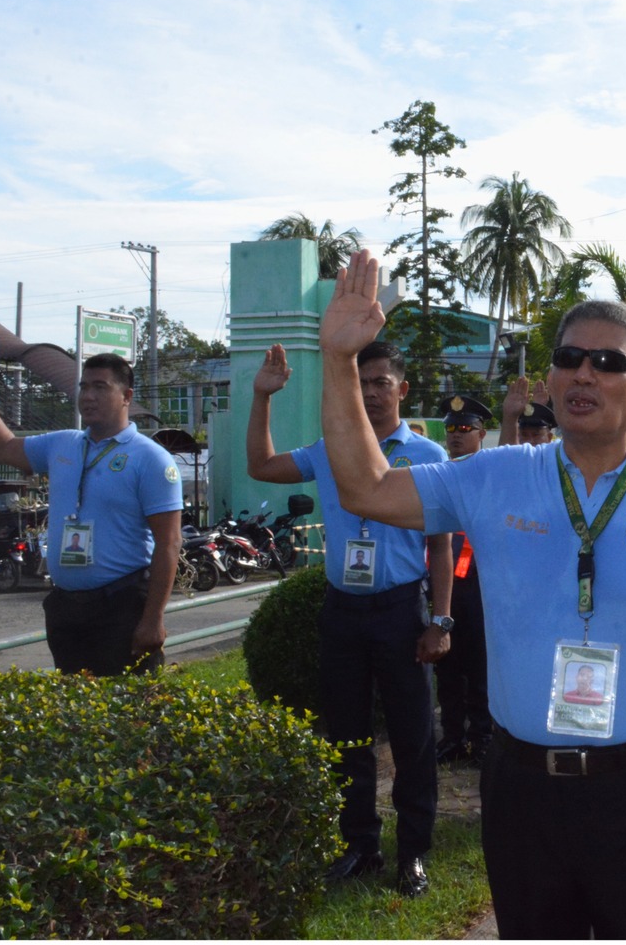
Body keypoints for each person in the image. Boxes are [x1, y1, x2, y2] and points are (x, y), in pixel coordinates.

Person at [313, 252, 626, 939]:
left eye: (608, 363)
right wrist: (339, 361)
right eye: (570, 357)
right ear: (550, 377)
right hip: (522, 789)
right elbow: (365, 489)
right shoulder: (494, 476)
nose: (585, 373)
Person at [246, 340, 454, 898]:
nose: (369, 392)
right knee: (346, 736)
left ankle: (412, 853)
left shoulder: (428, 457)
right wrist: (262, 398)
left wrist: (441, 622)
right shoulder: (328, 449)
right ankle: (358, 845)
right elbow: (261, 465)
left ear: (402, 390)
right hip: (342, 611)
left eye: (380, 382)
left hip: (400, 611)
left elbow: (440, 544)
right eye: (359, 383)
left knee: (412, 738)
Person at [0, 340, 180, 676]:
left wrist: (153, 619)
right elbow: (1, 446)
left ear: (126, 396)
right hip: (66, 607)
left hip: (121, 605)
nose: (88, 396)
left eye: (100, 387)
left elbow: (169, 544)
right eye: (84, 387)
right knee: (74, 715)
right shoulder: (62, 443)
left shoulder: (150, 458)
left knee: (126, 715)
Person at [434, 393, 495, 764]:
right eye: (451, 429)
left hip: (482, 586)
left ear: (481, 434)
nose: (456, 435)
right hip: (446, 586)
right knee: (449, 666)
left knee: (481, 663)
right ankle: (452, 736)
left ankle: (483, 735)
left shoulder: (490, 474)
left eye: (464, 429)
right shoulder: (439, 474)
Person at [500, 375, 557, 445]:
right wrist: (510, 416)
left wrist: (539, 408)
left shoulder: (556, 454)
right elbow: (506, 453)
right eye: (524, 435)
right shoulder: (515, 454)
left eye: (536, 435)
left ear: (549, 437)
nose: (530, 441)